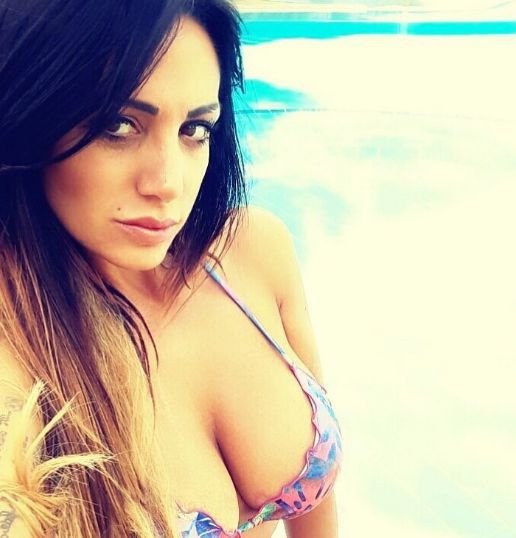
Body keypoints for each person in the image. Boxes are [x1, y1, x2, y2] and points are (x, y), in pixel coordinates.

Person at [0, 0, 342, 536]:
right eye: (119, 125)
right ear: (30, 117)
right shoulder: (18, 360)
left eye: (195, 129)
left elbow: (317, 519)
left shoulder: (254, 249)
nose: (168, 183)